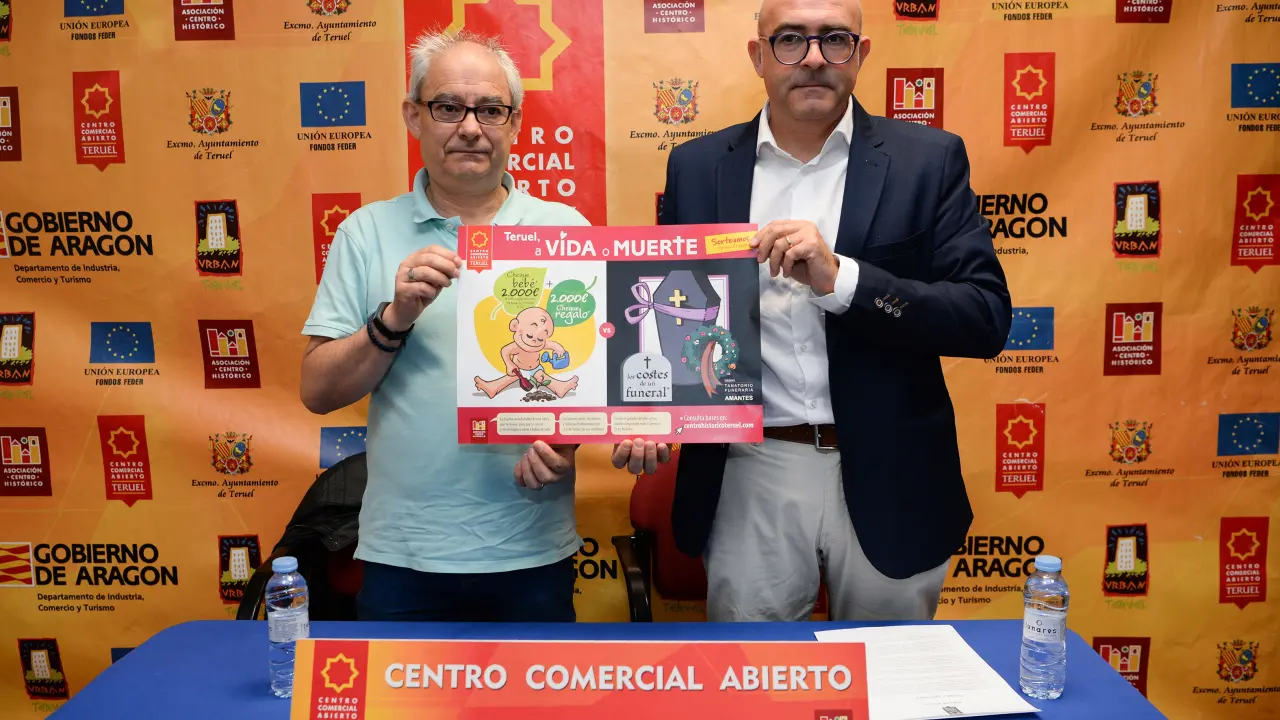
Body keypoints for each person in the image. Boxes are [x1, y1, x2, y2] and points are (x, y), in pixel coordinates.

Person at [618, 0, 1012, 622]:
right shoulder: (697, 167)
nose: (813, 59)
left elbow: (984, 316)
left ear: (861, 53)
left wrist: (843, 281)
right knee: (758, 673)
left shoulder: (928, 161)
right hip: (750, 468)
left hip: (892, 469)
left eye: (835, 39)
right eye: (790, 40)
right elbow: (673, 311)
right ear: (758, 56)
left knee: (888, 673)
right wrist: (650, 408)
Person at [299, 29, 590, 622]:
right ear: (414, 116)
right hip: (403, 556)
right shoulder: (365, 232)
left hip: (531, 546)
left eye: (491, 109)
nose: (471, 127)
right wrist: (394, 319)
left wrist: (567, 443)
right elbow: (317, 391)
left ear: (514, 123)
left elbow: (587, 379)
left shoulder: (566, 231)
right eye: (448, 107)